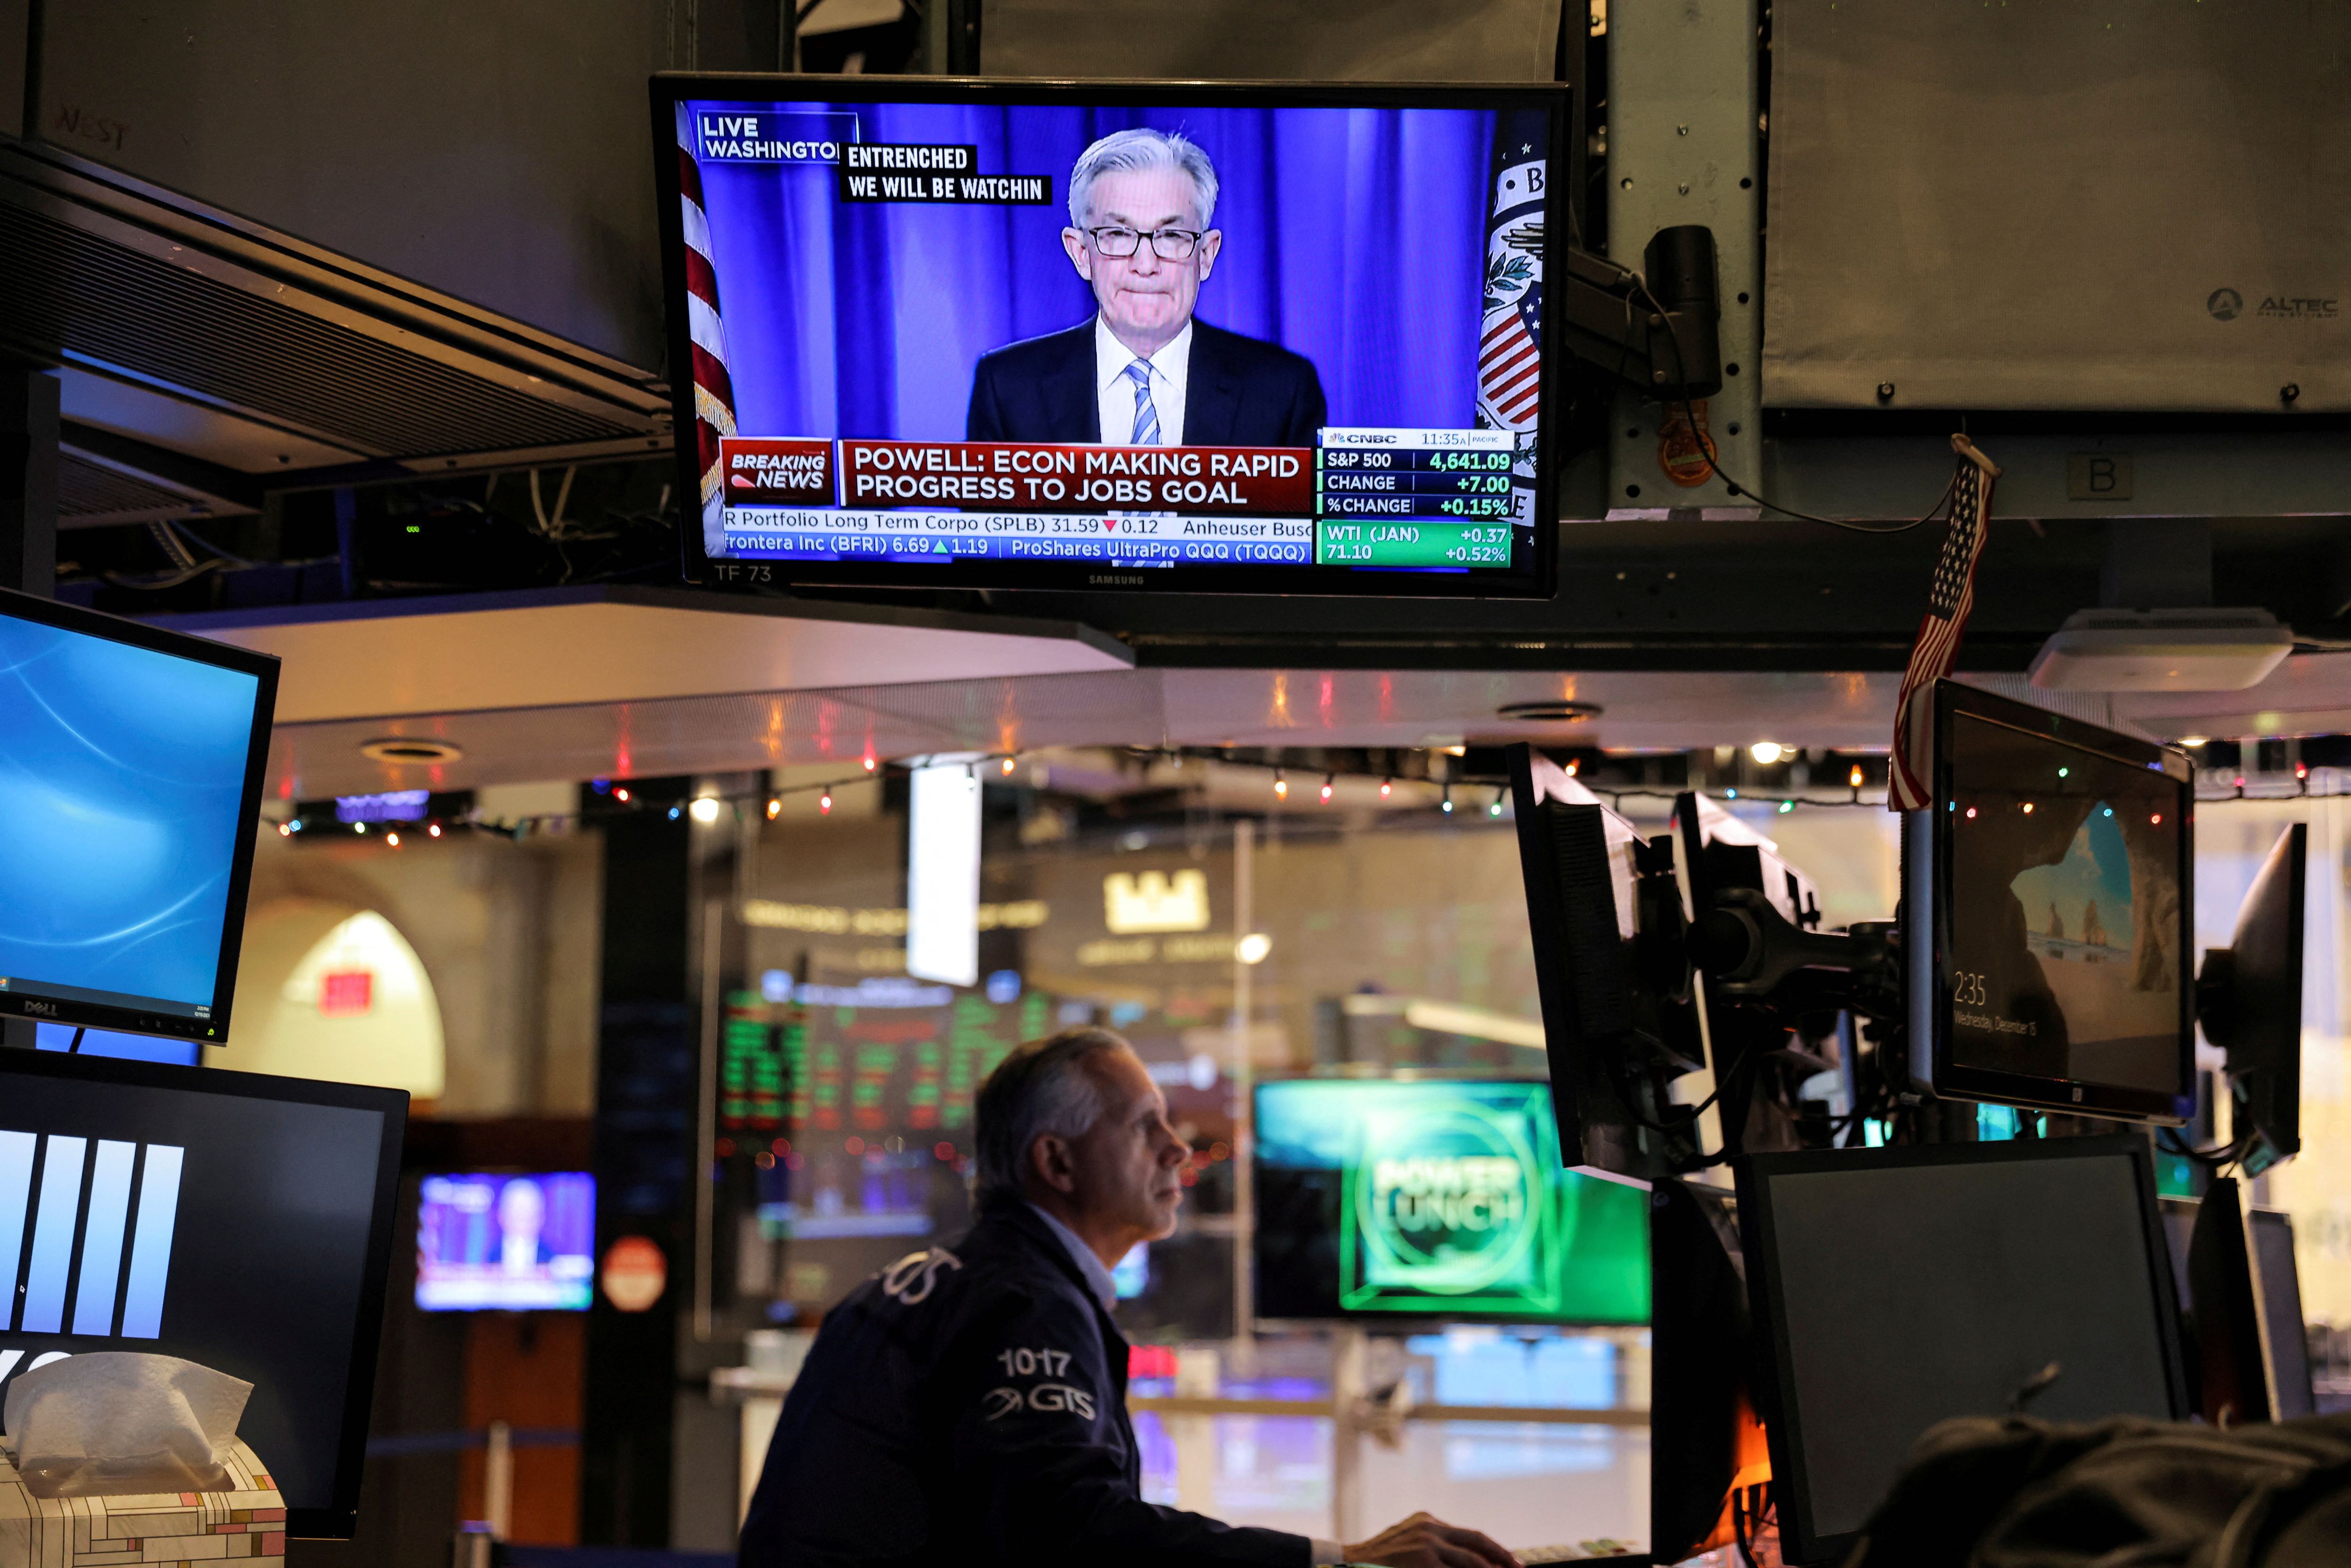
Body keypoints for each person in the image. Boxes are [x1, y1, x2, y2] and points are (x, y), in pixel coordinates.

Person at [739, 1027, 1519, 1568]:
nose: (1179, 1149)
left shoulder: (949, 1281)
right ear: (1059, 1162)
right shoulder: (1023, 1301)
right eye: (1146, 1127)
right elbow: (1072, 1535)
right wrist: (1340, 1560)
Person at [966, 129, 1327, 448]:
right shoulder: (1008, 389)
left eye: (1170, 235)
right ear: (1080, 253)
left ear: (1206, 254)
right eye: (1118, 235)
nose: (1145, 265)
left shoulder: (1283, 392)